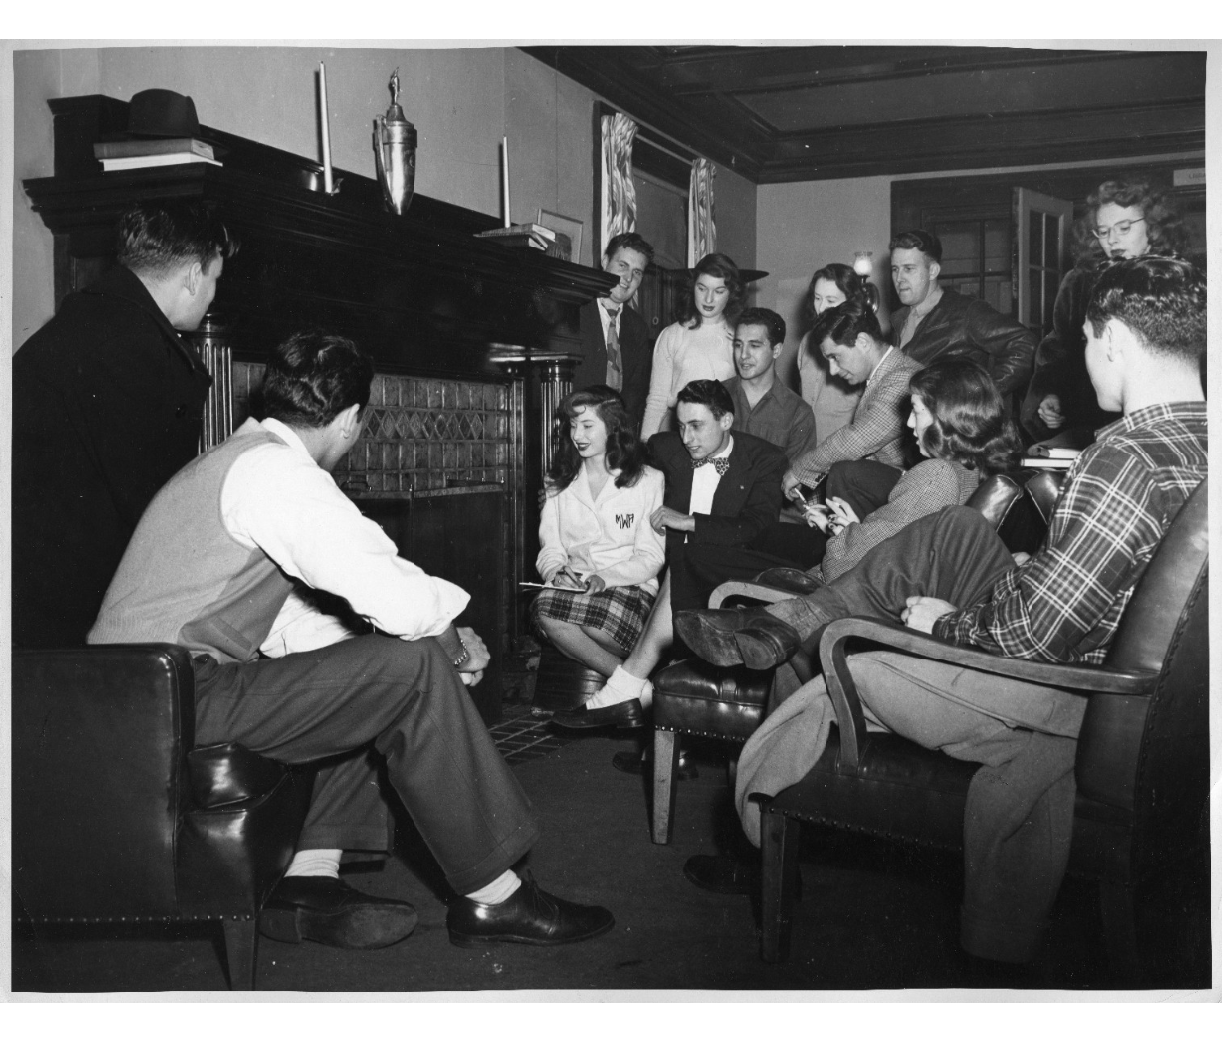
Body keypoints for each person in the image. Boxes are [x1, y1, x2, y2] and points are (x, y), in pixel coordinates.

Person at [674, 255, 1207, 964]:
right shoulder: (1203, 440)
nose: (1083, 360)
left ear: (1112, 338)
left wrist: (944, 624)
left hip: (1068, 693)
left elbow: (1033, 634)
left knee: (843, 650)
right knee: (953, 529)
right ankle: (789, 623)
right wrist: (1028, 567)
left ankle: (773, 737)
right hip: (1158, 707)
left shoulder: (1124, 457)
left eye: (1084, 341)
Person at [88, 331, 615, 951]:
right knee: (413, 663)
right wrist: (448, 646)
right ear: (348, 420)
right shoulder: (276, 472)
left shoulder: (240, 458)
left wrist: (417, 639)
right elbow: (391, 591)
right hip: (170, 697)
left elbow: (294, 625)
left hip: (138, 698)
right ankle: (495, 899)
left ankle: (306, 881)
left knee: (367, 665)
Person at [12, 200, 236, 648]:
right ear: (193, 276)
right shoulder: (149, 355)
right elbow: (158, 517)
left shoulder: (70, 324)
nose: (213, 294)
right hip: (77, 622)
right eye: (215, 279)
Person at [552, 379, 787, 731]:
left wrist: (691, 522)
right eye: (681, 426)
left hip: (733, 579)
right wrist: (562, 493)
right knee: (679, 562)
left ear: (726, 421)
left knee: (688, 558)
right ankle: (645, 713)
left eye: (697, 426)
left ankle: (621, 692)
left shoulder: (763, 459)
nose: (687, 438)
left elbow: (758, 527)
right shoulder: (666, 447)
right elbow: (615, 461)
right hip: (672, 575)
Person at [804, 359, 1021, 586]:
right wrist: (855, 532)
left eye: (916, 411)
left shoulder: (936, 475)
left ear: (945, 419)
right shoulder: (974, 469)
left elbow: (841, 568)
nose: (909, 423)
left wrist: (842, 534)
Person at [1020, 179, 1187, 444]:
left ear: (1153, 227)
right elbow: (1059, 350)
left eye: (1123, 228)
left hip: (1165, 417)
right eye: (1103, 231)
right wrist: (1052, 394)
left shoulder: (1182, 281)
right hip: (1095, 419)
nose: (1112, 240)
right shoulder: (1081, 281)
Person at [532, 386, 666, 677]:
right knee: (545, 609)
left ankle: (622, 681)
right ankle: (632, 683)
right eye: (573, 425)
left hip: (628, 585)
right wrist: (556, 572)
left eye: (588, 426)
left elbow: (651, 556)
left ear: (613, 426)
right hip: (573, 587)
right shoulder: (558, 481)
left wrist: (604, 578)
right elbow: (550, 548)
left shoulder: (648, 480)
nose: (578, 435)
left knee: (586, 623)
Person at [781, 298, 922, 509]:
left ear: (863, 342)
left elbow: (857, 440)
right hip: (903, 487)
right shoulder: (885, 376)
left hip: (918, 494)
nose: (832, 371)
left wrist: (800, 470)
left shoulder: (903, 378)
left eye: (835, 357)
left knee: (844, 472)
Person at [889, 229, 1035, 406]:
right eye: (895, 269)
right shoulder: (898, 320)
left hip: (951, 430)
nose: (899, 278)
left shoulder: (965, 312)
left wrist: (979, 399)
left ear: (933, 271)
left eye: (909, 269)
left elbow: (1025, 343)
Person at [640, 252, 745, 437]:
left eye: (719, 291)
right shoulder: (672, 335)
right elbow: (657, 401)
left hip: (722, 434)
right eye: (702, 288)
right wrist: (645, 450)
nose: (708, 299)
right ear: (692, 287)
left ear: (731, 294)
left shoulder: (738, 337)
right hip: (678, 431)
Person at [571, 232, 656, 431]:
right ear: (605, 261)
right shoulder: (574, 312)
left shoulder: (638, 328)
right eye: (622, 266)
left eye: (637, 272)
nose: (627, 278)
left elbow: (635, 396)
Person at [723, 306, 819, 468]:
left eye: (754, 345)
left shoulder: (799, 414)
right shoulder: (714, 397)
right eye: (738, 345)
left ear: (776, 350)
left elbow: (794, 482)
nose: (743, 355)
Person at [796, 263, 869, 441]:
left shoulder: (860, 346)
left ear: (850, 303)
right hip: (808, 446)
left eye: (830, 301)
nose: (820, 308)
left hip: (843, 450)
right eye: (817, 298)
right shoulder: (807, 341)